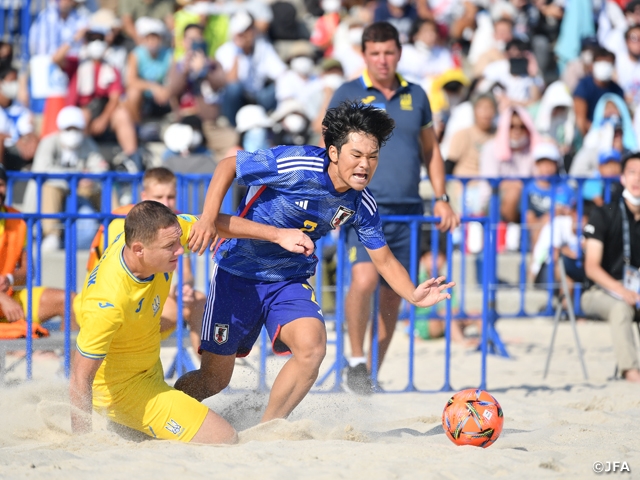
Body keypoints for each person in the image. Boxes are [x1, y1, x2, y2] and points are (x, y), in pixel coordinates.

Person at [173, 101, 454, 420]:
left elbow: (385, 260)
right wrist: (210, 218)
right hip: (237, 274)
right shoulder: (298, 164)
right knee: (213, 380)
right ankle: (163, 409)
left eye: (372, 157)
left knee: (313, 349)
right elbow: (227, 166)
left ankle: (268, 429)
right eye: (357, 155)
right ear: (334, 153)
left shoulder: (362, 203)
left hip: (289, 281)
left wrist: (413, 295)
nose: (365, 165)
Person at [70, 200, 314, 441]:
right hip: (124, 392)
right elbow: (80, 377)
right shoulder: (107, 303)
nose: (180, 250)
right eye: (170, 246)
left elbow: (210, 223)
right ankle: (132, 423)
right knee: (224, 438)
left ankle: (146, 425)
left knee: (213, 383)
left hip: (148, 367)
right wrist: (83, 442)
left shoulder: (155, 236)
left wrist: (278, 235)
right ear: (138, 250)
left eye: (179, 241)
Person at [328, 22, 458, 395]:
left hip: (410, 210)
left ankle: (368, 376)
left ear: (399, 53)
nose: (382, 60)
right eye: (375, 53)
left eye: (388, 52)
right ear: (364, 55)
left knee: (394, 294)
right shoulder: (348, 91)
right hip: (361, 205)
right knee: (365, 279)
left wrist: (443, 197)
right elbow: (329, 149)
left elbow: (431, 150)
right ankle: (354, 358)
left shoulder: (416, 94)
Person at [79, 167, 206, 353]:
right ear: (144, 195)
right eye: (159, 197)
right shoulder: (123, 221)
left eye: (170, 196)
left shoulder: (172, 223)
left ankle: (206, 377)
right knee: (185, 308)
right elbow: (125, 276)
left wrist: (184, 287)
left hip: (146, 296)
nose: (166, 203)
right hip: (108, 301)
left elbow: (186, 272)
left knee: (198, 301)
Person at [581, 152, 640, 383]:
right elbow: (591, 267)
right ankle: (632, 373)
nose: (637, 179)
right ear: (623, 178)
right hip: (599, 292)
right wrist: (622, 291)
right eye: (632, 172)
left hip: (635, 292)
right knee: (621, 309)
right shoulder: (604, 213)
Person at [0, 165, 78, 333]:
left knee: (72, 302)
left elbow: (28, 270)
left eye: (1, 184)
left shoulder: (18, 220)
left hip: (10, 297)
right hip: (4, 300)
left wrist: (9, 279)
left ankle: (70, 360)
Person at [25, 105, 108, 252]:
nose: (72, 133)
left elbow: (101, 167)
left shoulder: (87, 143)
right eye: (68, 128)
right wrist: (76, 176)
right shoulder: (48, 142)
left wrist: (89, 178)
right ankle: (52, 235)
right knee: (50, 185)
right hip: (48, 195)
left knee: (105, 186)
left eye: (76, 129)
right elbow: (43, 170)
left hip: (78, 194)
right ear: (60, 128)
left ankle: (116, 227)